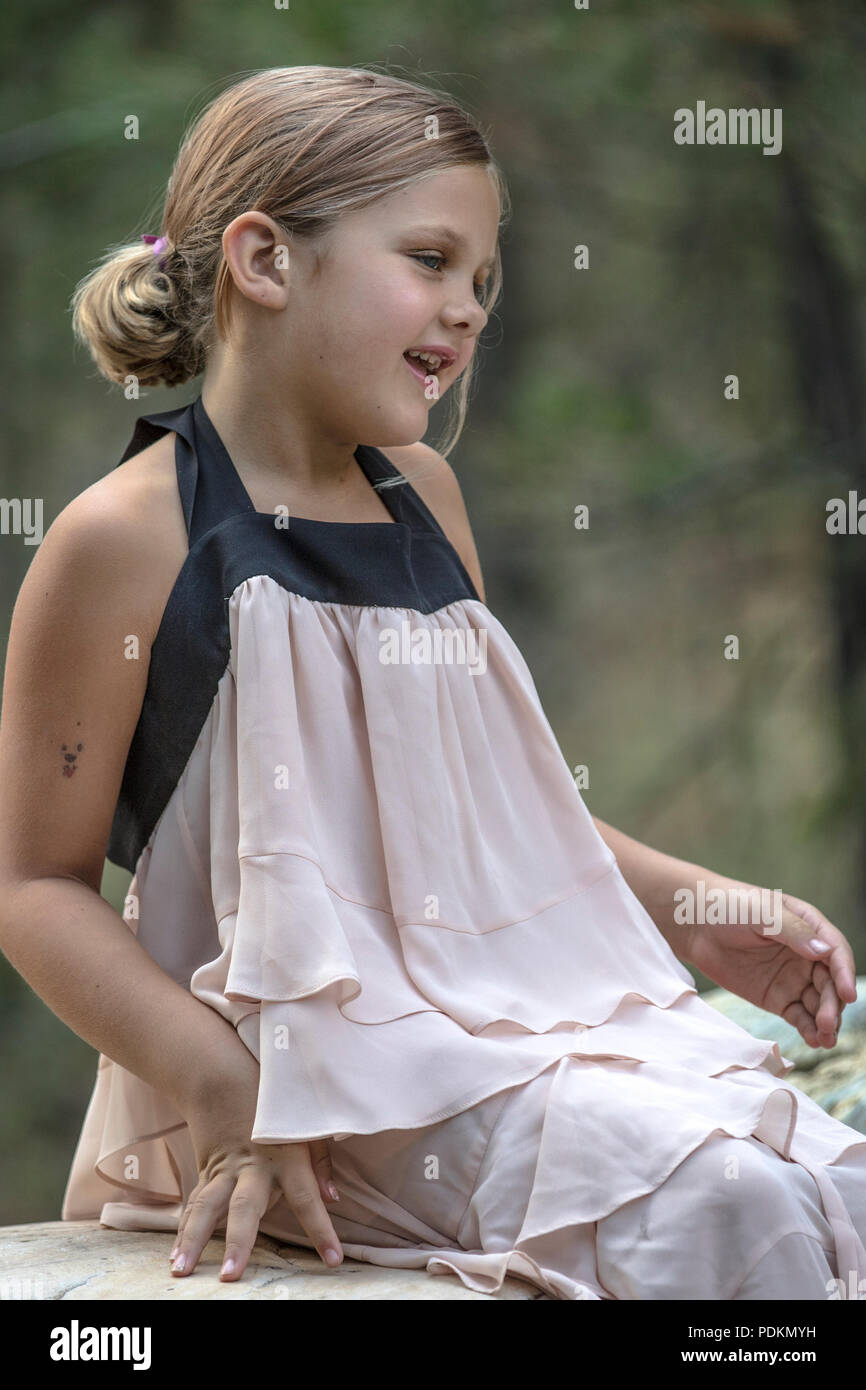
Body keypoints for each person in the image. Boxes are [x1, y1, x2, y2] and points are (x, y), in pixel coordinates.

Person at [0, 64, 864, 1303]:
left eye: (483, 282)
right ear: (264, 259)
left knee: (837, 1185)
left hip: (503, 1031)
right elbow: (31, 887)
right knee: (729, 1212)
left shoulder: (424, 502)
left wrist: (697, 908)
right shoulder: (124, 539)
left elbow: (485, 821)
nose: (465, 310)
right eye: (428, 259)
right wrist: (233, 1095)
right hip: (307, 1087)